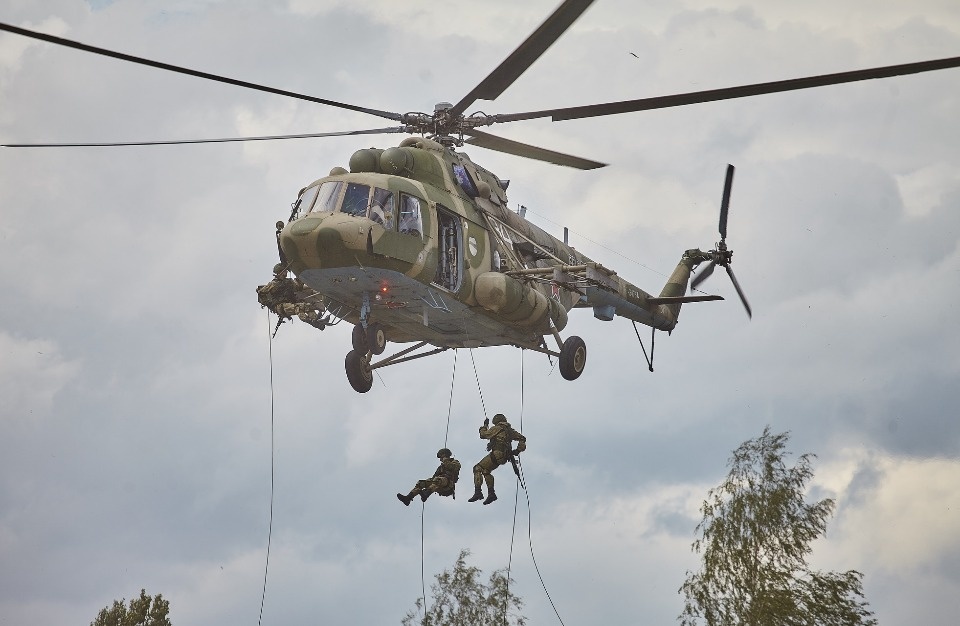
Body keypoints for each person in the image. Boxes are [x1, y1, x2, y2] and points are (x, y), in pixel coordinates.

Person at [468, 414, 526, 505]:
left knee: (477, 468)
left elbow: (483, 435)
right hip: (503, 457)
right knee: (486, 471)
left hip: (497, 454)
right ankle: (491, 494)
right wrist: (518, 450)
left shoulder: (497, 428)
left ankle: (478, 492)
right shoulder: (510, 431)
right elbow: (522, 439)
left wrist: (484, 426)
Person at [397, 448, 461, 506]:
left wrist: (446, 460)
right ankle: (408, 498)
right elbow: (433, 478)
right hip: (439, 485)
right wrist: (427, 485)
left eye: (441, 457)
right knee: (421, 483)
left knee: (437, 479)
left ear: (444, 455)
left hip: (449, 484)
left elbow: (451, 467)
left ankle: (426, 494)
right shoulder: (440, 467)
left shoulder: (455, 462)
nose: (440, 459)